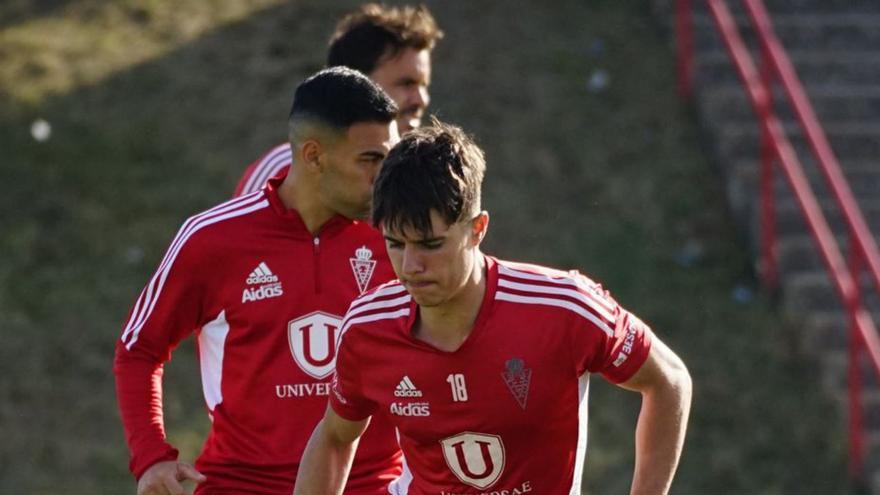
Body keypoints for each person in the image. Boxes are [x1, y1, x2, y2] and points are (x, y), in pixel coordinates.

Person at [294, 121, 693, 494]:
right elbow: (334, 437)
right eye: (395, 244)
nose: (411, 266)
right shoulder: (367, 329)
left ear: (477, 229)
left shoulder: (565, 308)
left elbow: (668, 381)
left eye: (431, 244)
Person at [114, 67, 403, 495]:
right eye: (370, 160)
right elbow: (139, 348)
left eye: (389, 157)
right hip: (242, 484)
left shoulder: (403, 238)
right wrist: (151, 457)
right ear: (313, 156)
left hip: (370, 484)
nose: (384, 176)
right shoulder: (214, 238)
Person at [234, 3, 443, 197]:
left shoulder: (425, 182)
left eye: (424, 85)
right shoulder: (281, 172)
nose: (422, 99)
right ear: (354, 83)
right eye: (406, 83)